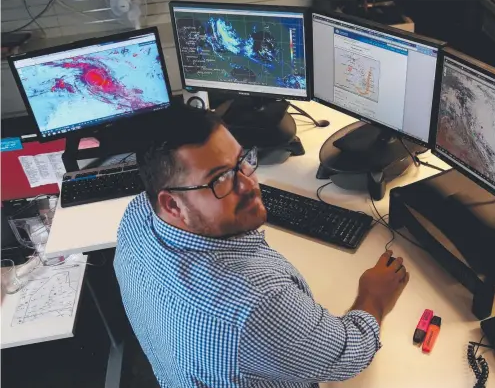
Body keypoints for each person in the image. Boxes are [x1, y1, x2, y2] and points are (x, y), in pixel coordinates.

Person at [114, 106, 409, 388]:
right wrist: (373, 296)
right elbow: (348, 354)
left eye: (242, 161)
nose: (249, 184)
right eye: (220, 179)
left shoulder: (138, 214)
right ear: (172, 204)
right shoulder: (254, 302)